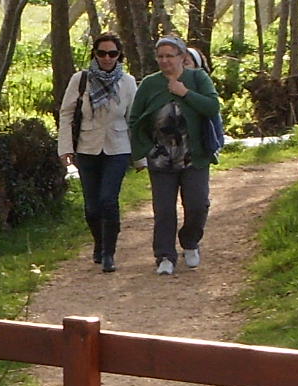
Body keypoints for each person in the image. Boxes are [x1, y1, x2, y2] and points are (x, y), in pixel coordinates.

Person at [128, 36, 222, 274]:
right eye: (160, 56)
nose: (165, 61)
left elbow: (212, 107)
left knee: (198, 204)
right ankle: (164, 256)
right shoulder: (149, 84)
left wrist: (184, 93)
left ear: (182, 57)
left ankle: (190, 242)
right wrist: (146, 147)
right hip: (161, 156)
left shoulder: (197, 78)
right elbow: (135, 117)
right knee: (164, 210)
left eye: (170, 56)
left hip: (194, 155)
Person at [55, 32, 137, 272]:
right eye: (102, 53)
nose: (107, 58)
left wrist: (140, 156)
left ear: (119, 56)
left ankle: (109, 253)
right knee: (92, 206)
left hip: (118, 148)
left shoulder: (128, 82)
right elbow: (67, 114)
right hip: (87, 147)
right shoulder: (81, 80)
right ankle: (99, 243)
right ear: (95, 54)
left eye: (112, 53)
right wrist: (65, 148)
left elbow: (135, 119)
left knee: (108, 200)